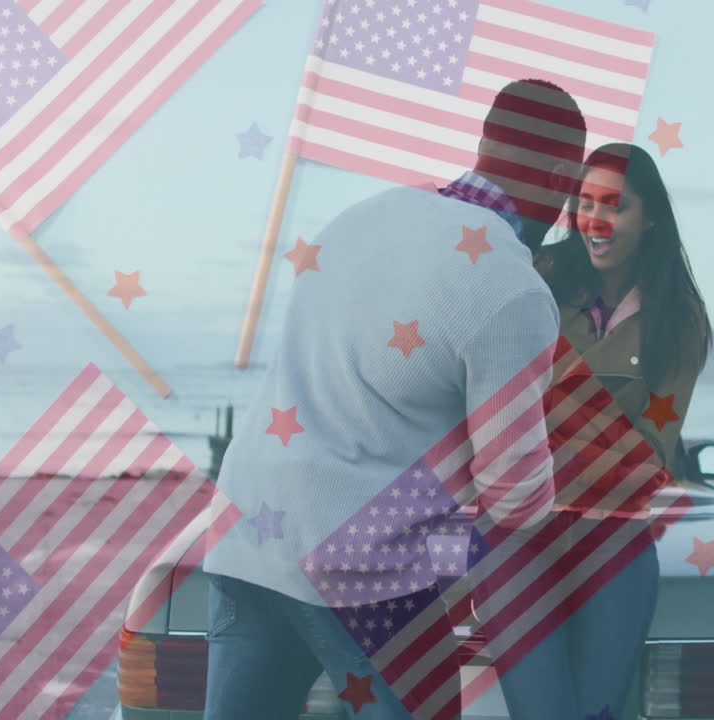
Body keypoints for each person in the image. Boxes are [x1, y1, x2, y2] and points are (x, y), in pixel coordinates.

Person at [199, 79, 588, 719]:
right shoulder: (512, 288)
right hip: (363, 567)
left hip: (246, 529)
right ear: (561, 178)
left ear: (485, 144)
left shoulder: (363, 217)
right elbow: (514, 495)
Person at [495, 142, 713, 719]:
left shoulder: (679, 316)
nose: (595, 220)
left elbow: (651, 457)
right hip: (520, 539)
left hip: (615, 543)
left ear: (650, 216)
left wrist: (547, 428)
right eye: (586, 203)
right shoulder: (538, 277)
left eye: (614, 206)